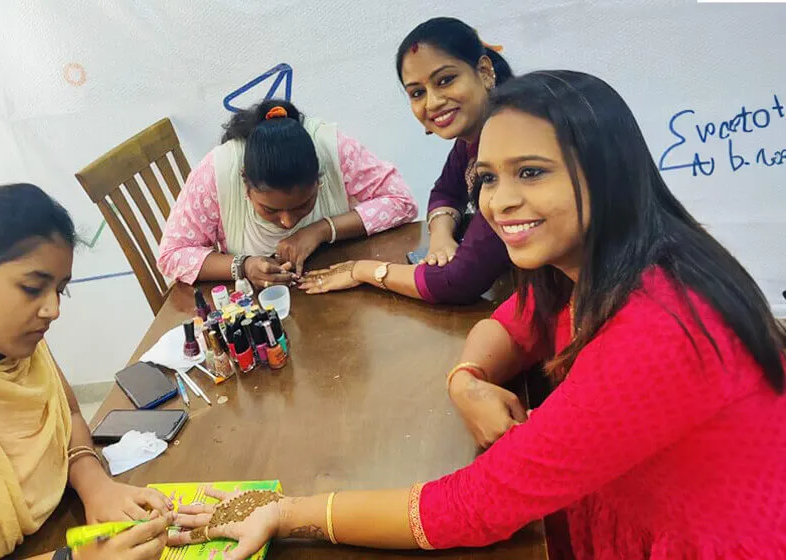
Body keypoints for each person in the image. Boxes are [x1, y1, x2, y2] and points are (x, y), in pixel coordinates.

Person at [164, 71, 786, 559]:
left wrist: (286, 511)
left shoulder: (656, 328)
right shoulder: (594, 263)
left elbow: (474, 506)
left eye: (531, 173)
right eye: (487, 178)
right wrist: (466, 379)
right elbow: (514, 322)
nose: (500, 201)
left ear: (608, 173)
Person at [0, 184, 175, 560]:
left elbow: (69, 415)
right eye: (33, 288)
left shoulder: (12, 342)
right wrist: (74, 558)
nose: (53, 310)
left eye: (60, 290)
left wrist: (96, 486)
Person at [298, 17, 515, 305]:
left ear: (484, 72)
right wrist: (441, 236)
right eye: (417, 93)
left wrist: (361, 270)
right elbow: (446, 191)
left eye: (445, 80)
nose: (432, 102)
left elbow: (457, 281)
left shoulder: (510, 144)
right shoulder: (475, 137)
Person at [157, 100, 418, 289]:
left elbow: (401, 201)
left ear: (319, 179)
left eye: (303, 205)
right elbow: (172, 255)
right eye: (269, 210)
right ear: (245, 184)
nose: (288, 222)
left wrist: (321, 229)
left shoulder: (333, 150)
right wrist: (244, 266)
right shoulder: (216, 173)